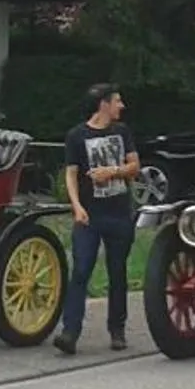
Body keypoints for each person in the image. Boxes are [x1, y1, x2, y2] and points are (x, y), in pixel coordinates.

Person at [58, 82, 139, 355]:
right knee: (80, 270)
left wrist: (112, 172)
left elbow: (134, 166)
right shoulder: (76, 136)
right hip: (89, 214)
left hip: (118, 213)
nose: (122, 106)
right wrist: (76, 206)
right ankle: (70, 331)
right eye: (118, 101)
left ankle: (117, 329)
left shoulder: (122, 132)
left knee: (118, 272)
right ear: (103, 104)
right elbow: (71, 173)